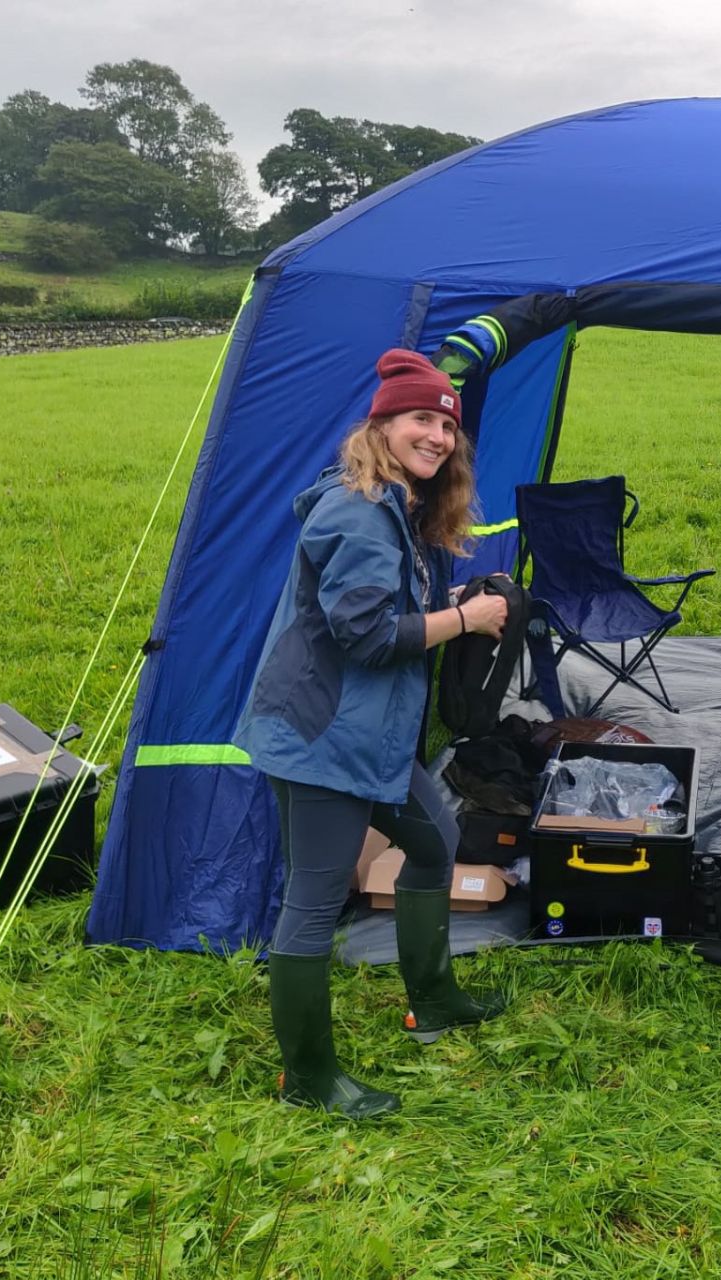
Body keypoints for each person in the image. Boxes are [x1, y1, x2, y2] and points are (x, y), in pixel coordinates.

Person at [234, 348, 511, 1119]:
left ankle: (433, 999)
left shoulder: (390, 504)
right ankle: (309, 1079)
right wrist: (466, 619)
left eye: (446, 426)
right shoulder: (357, 511)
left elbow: (377, 603)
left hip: (370, 736)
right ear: (382, 425)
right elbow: (364, 636)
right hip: (322, 735)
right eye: (421, 419)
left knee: (432, 845)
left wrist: (446, 597)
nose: (438, 438)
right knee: (314, 902)